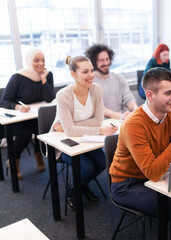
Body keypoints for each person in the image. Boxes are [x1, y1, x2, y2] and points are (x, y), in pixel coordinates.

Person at [110, 67, 171, 240]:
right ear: (150, 95)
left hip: (159, 176)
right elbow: (152, 172)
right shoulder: (134, 124)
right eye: (168, 93)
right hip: (128, 184)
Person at [51, 55, 118, 208]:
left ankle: (80, 184)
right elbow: (69, 131)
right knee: (87, 167)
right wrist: (98, 130)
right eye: (85, 72)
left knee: (102, 163)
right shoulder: (63, 95)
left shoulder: (96, 89)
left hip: (86, 139)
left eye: (92, 71)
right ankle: (74, 188)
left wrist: (73, 125)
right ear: (73, 74)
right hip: (64, 143)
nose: (91, 75)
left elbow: (98, 120)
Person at [1, 47, 55, 179]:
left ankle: (38, 153)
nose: (40, 63)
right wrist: (18, 107)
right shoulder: (18, 77)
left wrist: (43, 79)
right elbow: (4, 100)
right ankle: (14, 160)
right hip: (20, 119)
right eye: (36, 60)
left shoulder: (48, 75)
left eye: (43, 60)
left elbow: (49, 98)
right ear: (29, 61)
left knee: (44, 130)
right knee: (25, 135)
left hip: (36, 116)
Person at [84, 44, 138, 120]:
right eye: (101, 60)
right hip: (101, 123)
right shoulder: (89, 83)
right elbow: (98, 107)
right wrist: (120, 116)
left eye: (107, 59)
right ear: (93, 62)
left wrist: (136, 110)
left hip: (120, 120)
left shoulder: (120, 79)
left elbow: (129, 99)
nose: (106, 63)